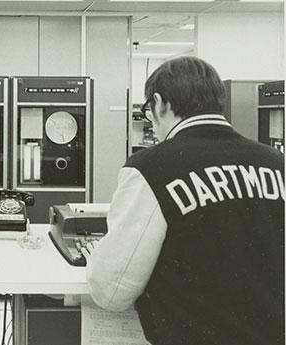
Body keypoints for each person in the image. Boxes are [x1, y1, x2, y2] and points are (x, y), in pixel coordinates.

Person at [82, 56, 284, 345]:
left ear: (160, 102)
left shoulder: (152, 167)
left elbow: (111, 291)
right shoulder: (277, 163)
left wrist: (96, 256)